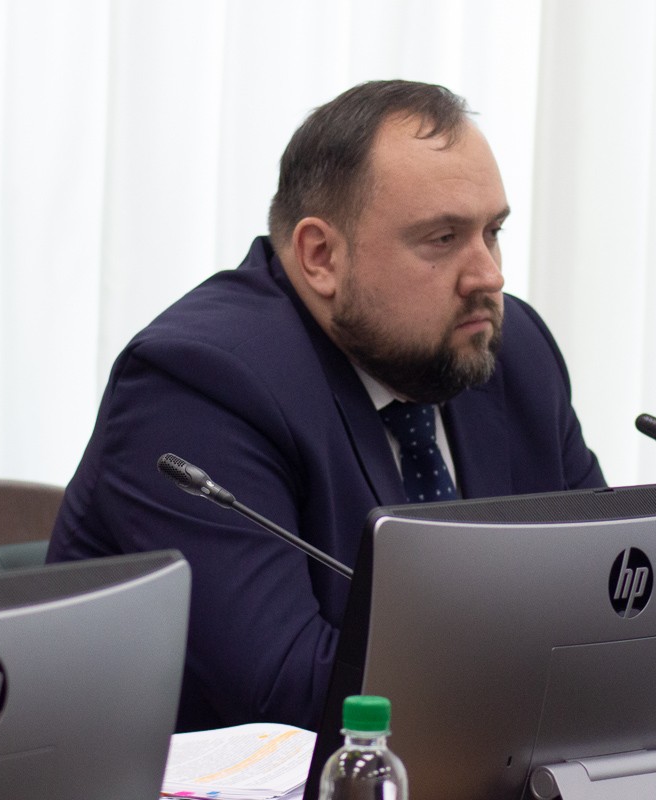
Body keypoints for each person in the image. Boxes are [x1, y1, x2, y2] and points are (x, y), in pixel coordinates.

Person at [47, 80, 604, 732]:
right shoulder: (197, 384)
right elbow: (289, 693)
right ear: (320, 256)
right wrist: (557, 670)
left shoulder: (511, 353)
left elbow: (610, 596)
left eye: (493, 232)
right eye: (442, 238)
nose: (489, 275)